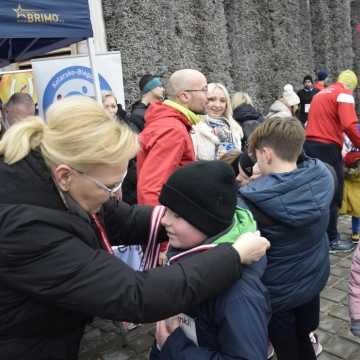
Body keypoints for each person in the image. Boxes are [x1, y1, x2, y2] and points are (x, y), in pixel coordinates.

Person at [0, 96, 270, 360]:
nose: (114, 196)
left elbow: (125, 218)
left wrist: (193, 215)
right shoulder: (25, 228)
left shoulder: (57, 182)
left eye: (119, 183)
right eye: (109, 186)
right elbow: (135, 294)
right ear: (65, 175)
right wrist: (232, 256)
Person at [149, 160, 271, 359]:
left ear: (207, 223)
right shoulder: (183, 251)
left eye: (177, 214)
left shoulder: (238, 293)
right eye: (166, 210)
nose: (164, 221)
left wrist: (174, 347)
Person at [238, 117, 333, 359]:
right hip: (312, 280)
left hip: (277, 295)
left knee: (287, 349)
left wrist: (252, 185)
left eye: (257, 155)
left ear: (266, 153)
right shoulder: (324, 175)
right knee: (305, 338)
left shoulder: (249, 201)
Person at [304, 69, 360, 253]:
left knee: (316, 192)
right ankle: (332, 240)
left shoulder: (321, 93)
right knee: (334, 193)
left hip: (310, 146)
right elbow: (349, 124)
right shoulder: (344, 93)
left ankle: (317, 237)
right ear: (351, 86)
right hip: (328, 148)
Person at [122, 75, 164, 205]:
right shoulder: (138, 115)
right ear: (150, 89)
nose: (163, 89)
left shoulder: (157, 110)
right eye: (160, 86)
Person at [192, 83, 243, 160]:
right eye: (211, 99)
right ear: (203, 100)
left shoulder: (234, 128)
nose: (217, 105)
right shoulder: (194, 127)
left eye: (222, 101)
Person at [339, 137, 360, 244]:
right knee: (357, 214)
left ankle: (356, 233)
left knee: (356, 215)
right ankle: (356, 233)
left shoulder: (348, 157)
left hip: (349, 192)